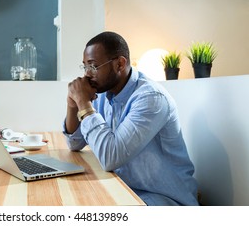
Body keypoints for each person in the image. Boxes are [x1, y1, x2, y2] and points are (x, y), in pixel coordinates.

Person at [63, 31, 199, 206]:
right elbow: (74, 143)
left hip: (163, 199)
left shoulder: (151, 98)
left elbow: (110, 157)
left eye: (93, 66)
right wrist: (73, 104)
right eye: (85, 67)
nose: (88, 74)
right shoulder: (103, 92)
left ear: (120, 64)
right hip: (124, 188)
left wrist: (83, 102)